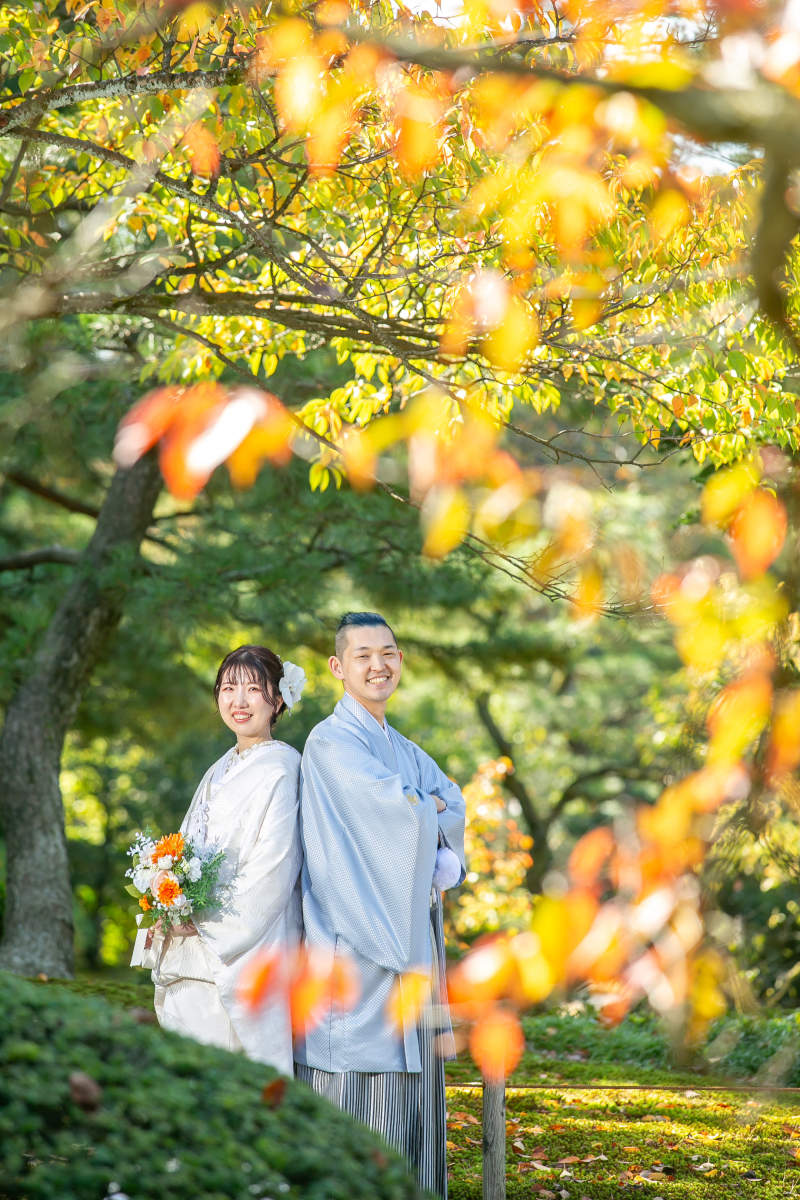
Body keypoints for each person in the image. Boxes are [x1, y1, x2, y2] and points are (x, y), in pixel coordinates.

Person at [295, 612, 466, 1199]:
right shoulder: (329, 741)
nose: (379, 665)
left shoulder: (403, 747)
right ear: (338, 668)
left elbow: (450, 801)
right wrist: (426, 811)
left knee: (412, 1094)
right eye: (363, 654)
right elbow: (400, 811)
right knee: (360, 1093)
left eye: (388, 653)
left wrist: (425, 809)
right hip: (353, 940)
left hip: (409, 945)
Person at [144, 644, 306, 1073]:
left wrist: (203, 922)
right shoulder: (221, 766)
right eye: (228, 687)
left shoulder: (283, 767)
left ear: (278, 700)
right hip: (192, 937)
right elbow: (186, 846)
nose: (238, 700)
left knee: (230, 1074)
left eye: (254, 689)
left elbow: (274, 868)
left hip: (244, 946)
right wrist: (170, 897)